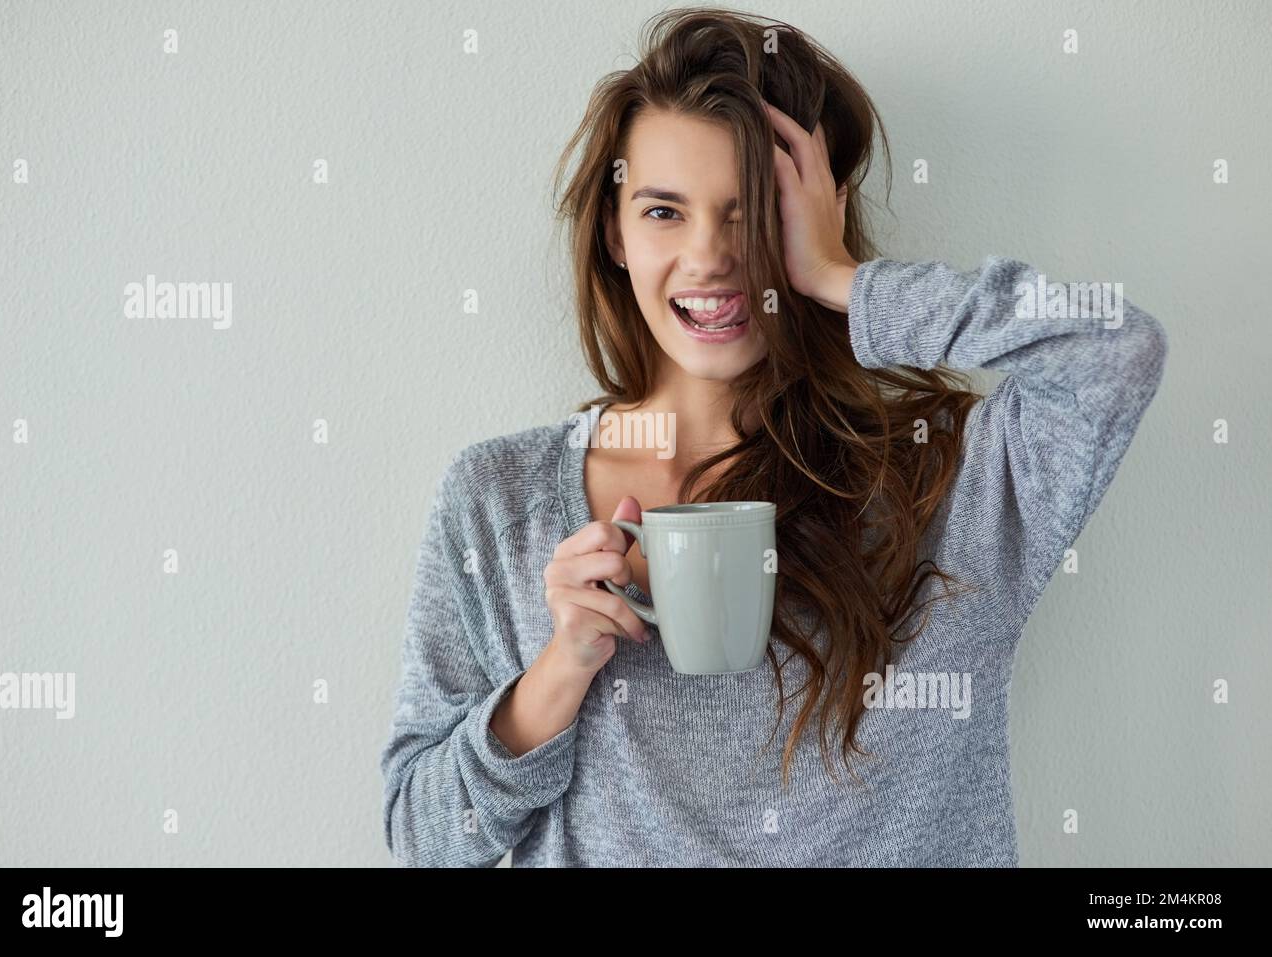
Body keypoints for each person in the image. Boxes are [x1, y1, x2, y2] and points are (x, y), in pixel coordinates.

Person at [380, 7, 1167, 867]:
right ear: (614, 231)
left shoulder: (946, 480)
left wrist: (848, 281)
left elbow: (1116, 350)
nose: (711, 257)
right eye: (663, 212)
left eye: (750, 213)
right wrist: (557, 673)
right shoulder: (500, 498)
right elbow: (424, 839)